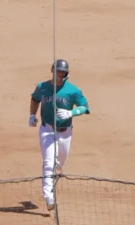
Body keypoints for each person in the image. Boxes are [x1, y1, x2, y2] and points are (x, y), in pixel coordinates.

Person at [28, 58, 89, 214]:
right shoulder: (42, 87)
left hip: (65, 132)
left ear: (66, 73)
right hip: (47, 130)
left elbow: (85, 107)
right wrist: (31, 115)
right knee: (48, 163)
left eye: (62, 72)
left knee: (59, 164)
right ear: (52, 70)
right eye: (57, 71)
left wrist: (71, 112)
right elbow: (35, 99)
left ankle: (54, 176)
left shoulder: (72, 90)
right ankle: (49, 197)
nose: (59, 74)